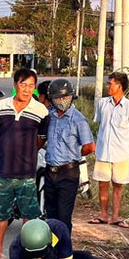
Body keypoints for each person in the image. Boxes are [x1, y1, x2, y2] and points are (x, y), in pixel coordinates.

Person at [0, 68, 49, 259]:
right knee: (0, 213)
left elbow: (41, 139)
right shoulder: (0, 106)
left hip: (26, 173)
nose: (27, 89)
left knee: (29, 215)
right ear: (15, 85)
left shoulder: (41, 111)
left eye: (31, 86)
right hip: (2, 171)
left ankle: (27, 253)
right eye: (23, 85)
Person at [89, 72, 129, 228]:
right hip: (103, 151)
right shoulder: (102, 104)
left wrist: (124, 142)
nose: (108, 86)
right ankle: (103, 215)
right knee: (102, 183)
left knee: (118, 184)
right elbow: (99, 123)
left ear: (119, 86)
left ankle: (116, 216)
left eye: (110, 84)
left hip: (121, 153)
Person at [44, 79, 95, 233]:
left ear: (71, 97)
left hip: (68, 173)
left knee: (64, 216)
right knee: (50, 216)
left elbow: (90, 146)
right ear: (52, 99)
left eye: (65, 98)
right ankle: (52, 250)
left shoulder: (78, 119)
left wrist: (74, 154)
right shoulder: (49, 116)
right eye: (58, 98)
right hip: (50, 171)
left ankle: (65, 252)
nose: (61, 101)